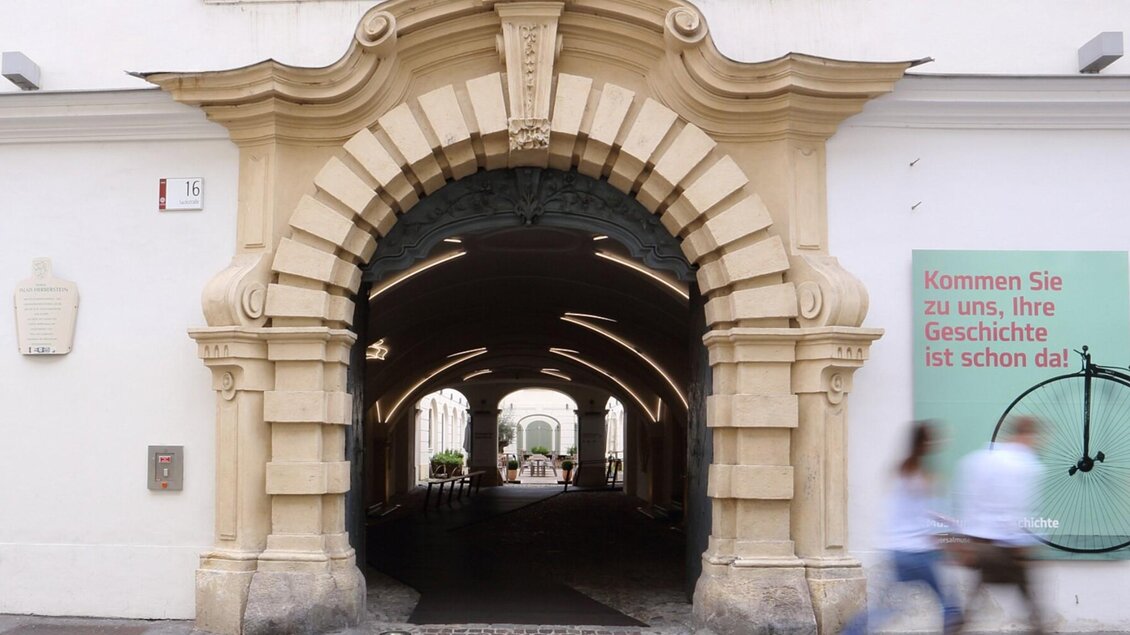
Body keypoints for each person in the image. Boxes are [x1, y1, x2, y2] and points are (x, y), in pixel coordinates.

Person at [843, 420, 962, 635]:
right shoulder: (922, 475)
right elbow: (922, 510)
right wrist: (949, 527)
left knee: (886, 607)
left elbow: (914, 510)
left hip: (897, 550)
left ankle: (851, 633)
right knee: (949, 604)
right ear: (925, 444)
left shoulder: (902, 471)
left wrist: (946, 521)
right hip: (919, 552)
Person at [954, 415, 1044, 634]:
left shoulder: (979, 459)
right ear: (1028, 435)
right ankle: (1039, 627)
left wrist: (965, 540)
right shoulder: (1026, 465)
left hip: (980, 542)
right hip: (1005, 543)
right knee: (1025, 589)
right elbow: (1017, 506)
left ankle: (958, 625)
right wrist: (1022, 541)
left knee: (979, 590)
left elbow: (966, 498)